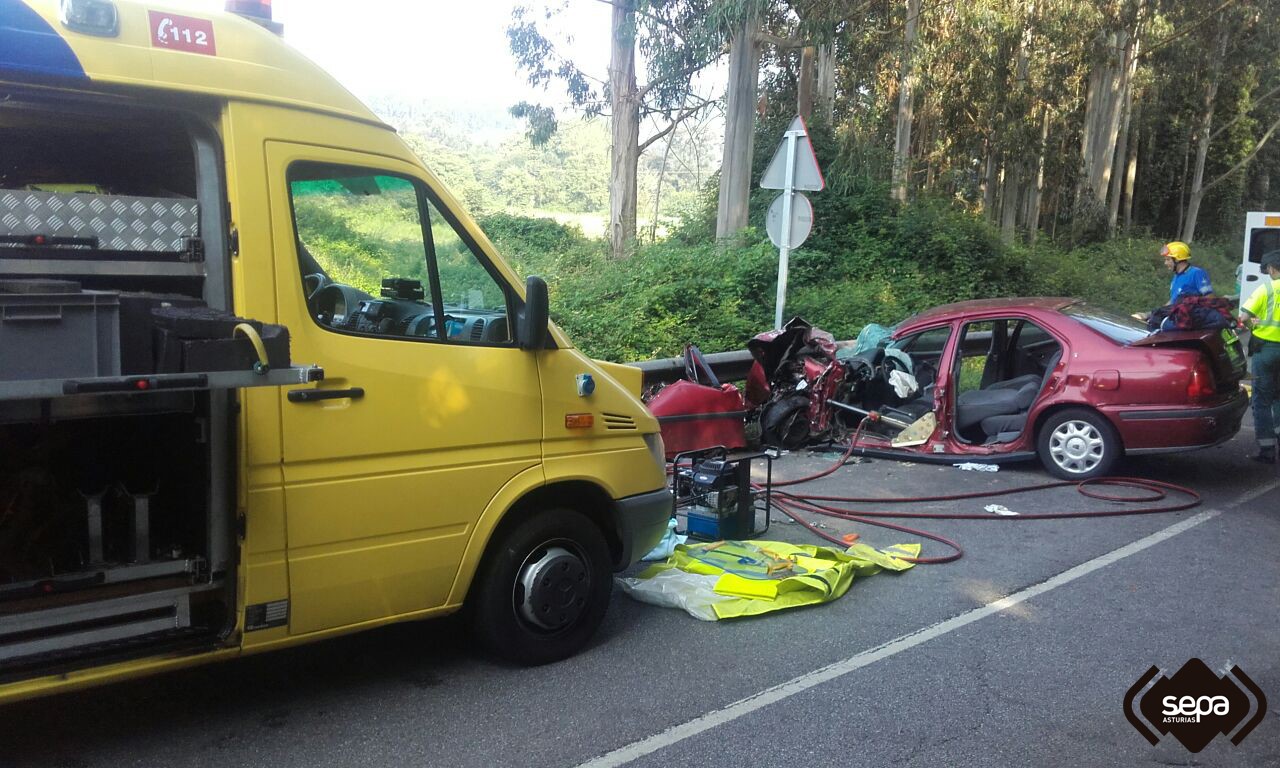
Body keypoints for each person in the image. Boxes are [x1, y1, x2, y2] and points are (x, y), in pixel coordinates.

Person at [1239, 249, 1280, 463]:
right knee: (1278, 397)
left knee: (1261, 399)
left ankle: (1267, 449)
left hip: (1266, 351)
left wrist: (1250, 324)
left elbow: (1243, 316)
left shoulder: (1265, 289)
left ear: (1272, 268)